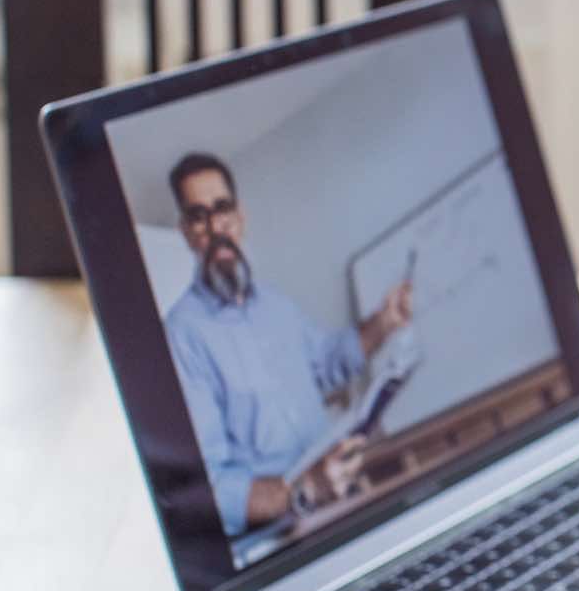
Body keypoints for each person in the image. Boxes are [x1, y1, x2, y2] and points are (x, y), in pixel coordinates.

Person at [162, 152, 414, 537]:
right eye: (198, 216)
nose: (214, 227)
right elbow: (206, 488)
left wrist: (383, 323)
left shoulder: (275, 303)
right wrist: (302, 490)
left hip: (345, 494)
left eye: (222, 209)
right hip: (285, 533)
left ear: (240, 217)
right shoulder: (181, 335)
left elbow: (328, 363)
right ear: (185, 231)